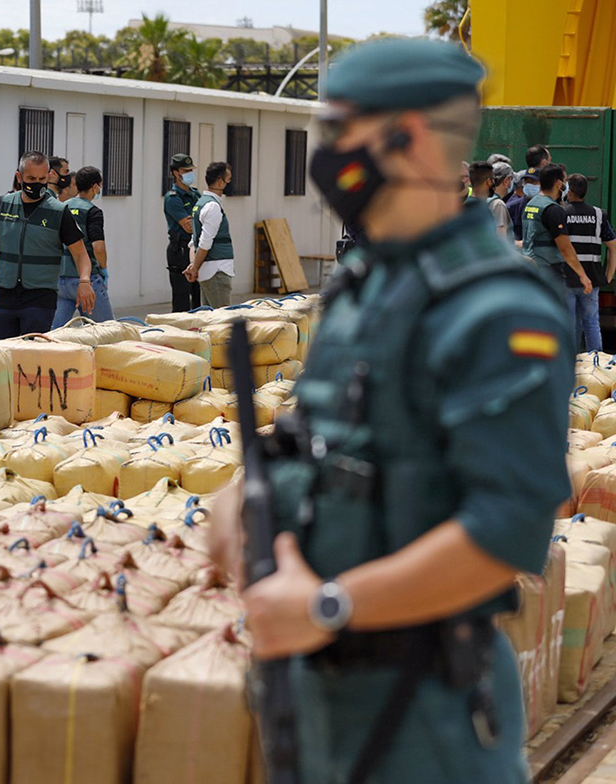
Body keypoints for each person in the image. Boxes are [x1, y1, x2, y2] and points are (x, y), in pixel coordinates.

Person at [209, 38, 572, 784]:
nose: (326, 154)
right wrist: (240, 498)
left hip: (424, 712)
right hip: (322, 695)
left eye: (340, 131)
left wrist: (331, 605)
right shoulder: (363, 286)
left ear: (405, 138)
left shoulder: (497, 308)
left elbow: (506, 529)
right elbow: (322, 443)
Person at [0, 151, 93, 339]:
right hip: (5, 296)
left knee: (30, 358)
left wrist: (85, 281)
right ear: (19, 177)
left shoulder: (59, 212)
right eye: (31, 178)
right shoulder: (2, 205)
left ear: (48, 177)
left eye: (41, 178)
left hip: (40, 298)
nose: (36, 183)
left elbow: (80, 254)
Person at [53, 166, 112, 327]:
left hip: (62, 281)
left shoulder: (62, 207)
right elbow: (98, 248)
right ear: (95, 186)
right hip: (86, 282)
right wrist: (103, 269)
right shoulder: (92, 212)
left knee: (55, 333)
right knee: (107, 331)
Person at [522, 164, 591, 298]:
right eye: (564, 182)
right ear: (559, 183)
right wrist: (582, 275)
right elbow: (565, 248)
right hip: (548, 271)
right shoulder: (553, 209)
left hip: (530, 267)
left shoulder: (530, 204)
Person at [564, 173, 616, 351]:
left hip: (568, 278)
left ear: (569, 191)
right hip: (592, 279)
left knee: (570, 325)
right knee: (591, 323)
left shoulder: (562, 213)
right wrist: (608, 274)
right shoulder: (599, 214)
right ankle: (596, 363)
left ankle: (572, 364)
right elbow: (613, 246)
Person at [183, 161, 236, 307]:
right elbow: (205, 243)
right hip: (217, 271)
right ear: (220, 182)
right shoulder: (212, 206)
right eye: (229, 179)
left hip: (208, 271)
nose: (230, 183)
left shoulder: (200, 204)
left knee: (210, 320)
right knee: (222, 321)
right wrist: (194, 268)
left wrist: (194, 265)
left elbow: (194, 241)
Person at [163, 153, 201, 311]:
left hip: (198, 248)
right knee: (181, 297)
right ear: (175, 173)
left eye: (190, 170)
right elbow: (189, 227)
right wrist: (202, 221)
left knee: (199, 295)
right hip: (180, 249)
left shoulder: (196, 194)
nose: (189, 174)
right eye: (185, 171)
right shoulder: (173, 198)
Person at [508, 168, 540, 244]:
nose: (529, 185)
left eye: (533, 182)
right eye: (526, 182)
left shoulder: (547, 207)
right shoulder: (513, 207)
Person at [489, 161, 515, 242]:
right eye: (511, 179)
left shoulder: (484, 199)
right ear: (506, 181)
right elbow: (501, 242)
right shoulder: (498, 204)